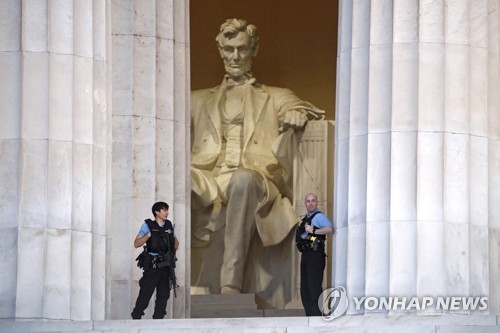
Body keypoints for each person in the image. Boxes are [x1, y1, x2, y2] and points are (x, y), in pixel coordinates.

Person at [190, 18, 325, 295]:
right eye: (229, 50)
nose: (235, 56)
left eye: (242, 49)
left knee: (242, 179)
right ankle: (167, 281)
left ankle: (230, 281)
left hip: (256, 179)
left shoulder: (275, 96)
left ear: (254, 50)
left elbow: (303, 107)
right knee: (173, 176)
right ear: (221, 52)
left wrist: (296, 112)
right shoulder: (197, 99)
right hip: (208, 177)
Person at [131, 201, 179, 319]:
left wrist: (172, 236)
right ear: (157, 212)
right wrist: (148, 236)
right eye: (164, 210)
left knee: (164, 295)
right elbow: (136, 243)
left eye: (167, 210)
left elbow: (176, 246)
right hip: (153, 266)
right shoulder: (148, 225)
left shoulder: (169, 225)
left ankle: (158, 321)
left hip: (166, 266)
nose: (167, 213)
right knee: (145, 294)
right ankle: (136, 317)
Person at [298, 193, 333, 316]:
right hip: (306, 255)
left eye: (313, 201)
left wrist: (315, 231)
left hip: (315, 255)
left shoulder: (319, 217)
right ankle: (310, 315)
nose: (311, 203)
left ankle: (317, 316)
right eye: (308, 201)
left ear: (316, 203)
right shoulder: (305, 219)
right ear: (305, 203)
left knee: (313, 287)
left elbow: (329, 229)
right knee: (305, 289)